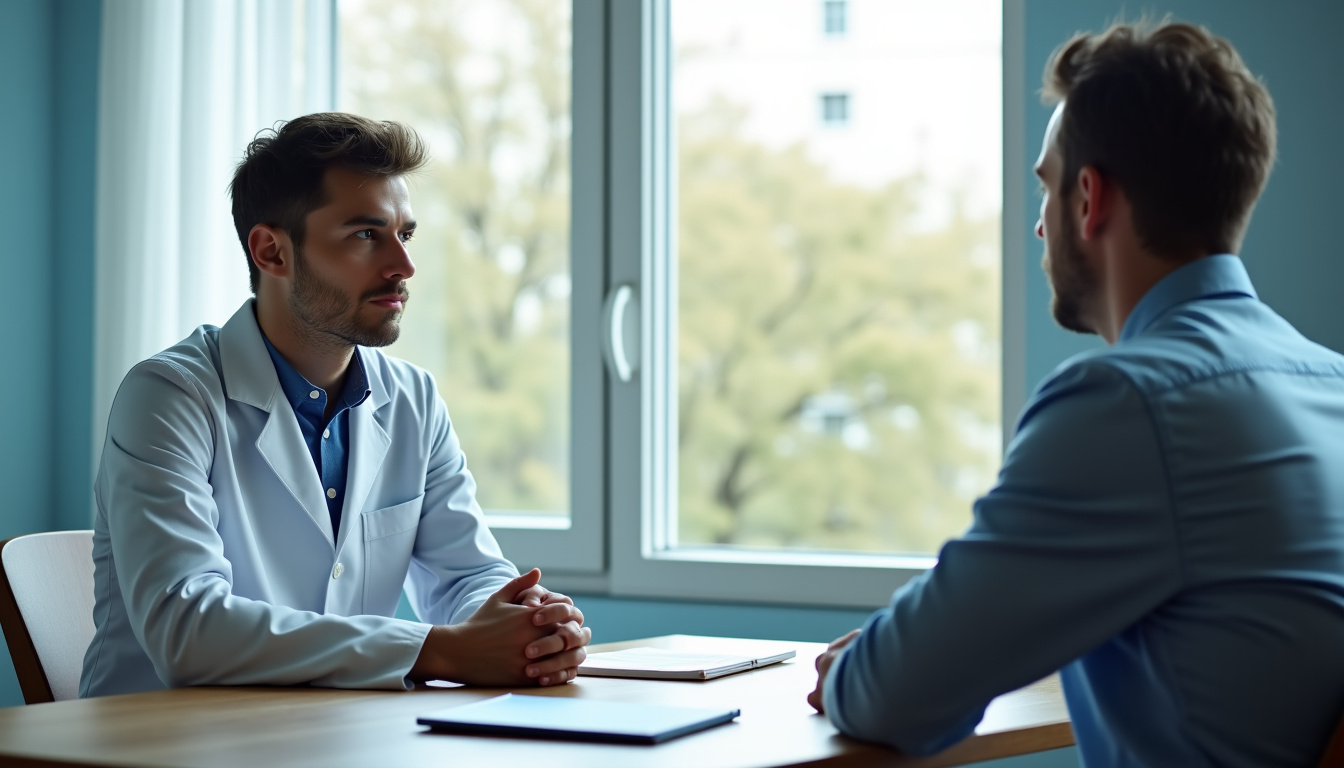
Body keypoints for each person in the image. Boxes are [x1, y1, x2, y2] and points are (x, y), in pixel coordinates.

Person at [808, 20, 1344, 768]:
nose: (1038, 223)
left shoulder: (1129, 406)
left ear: (1088, 198)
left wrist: (860, 668)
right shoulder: (1331, 383)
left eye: (1046, 186)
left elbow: (895, 697)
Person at [80, 113, 590, 697]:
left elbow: (468, 576)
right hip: (155, 747)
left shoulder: (413, 400)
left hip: (335, 734)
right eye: (365, 235)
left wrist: (526, 624)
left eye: (406, 234)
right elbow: (188, 631)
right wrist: (441, 651)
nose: (403, 266)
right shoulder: (169, 397)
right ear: (271, 251)